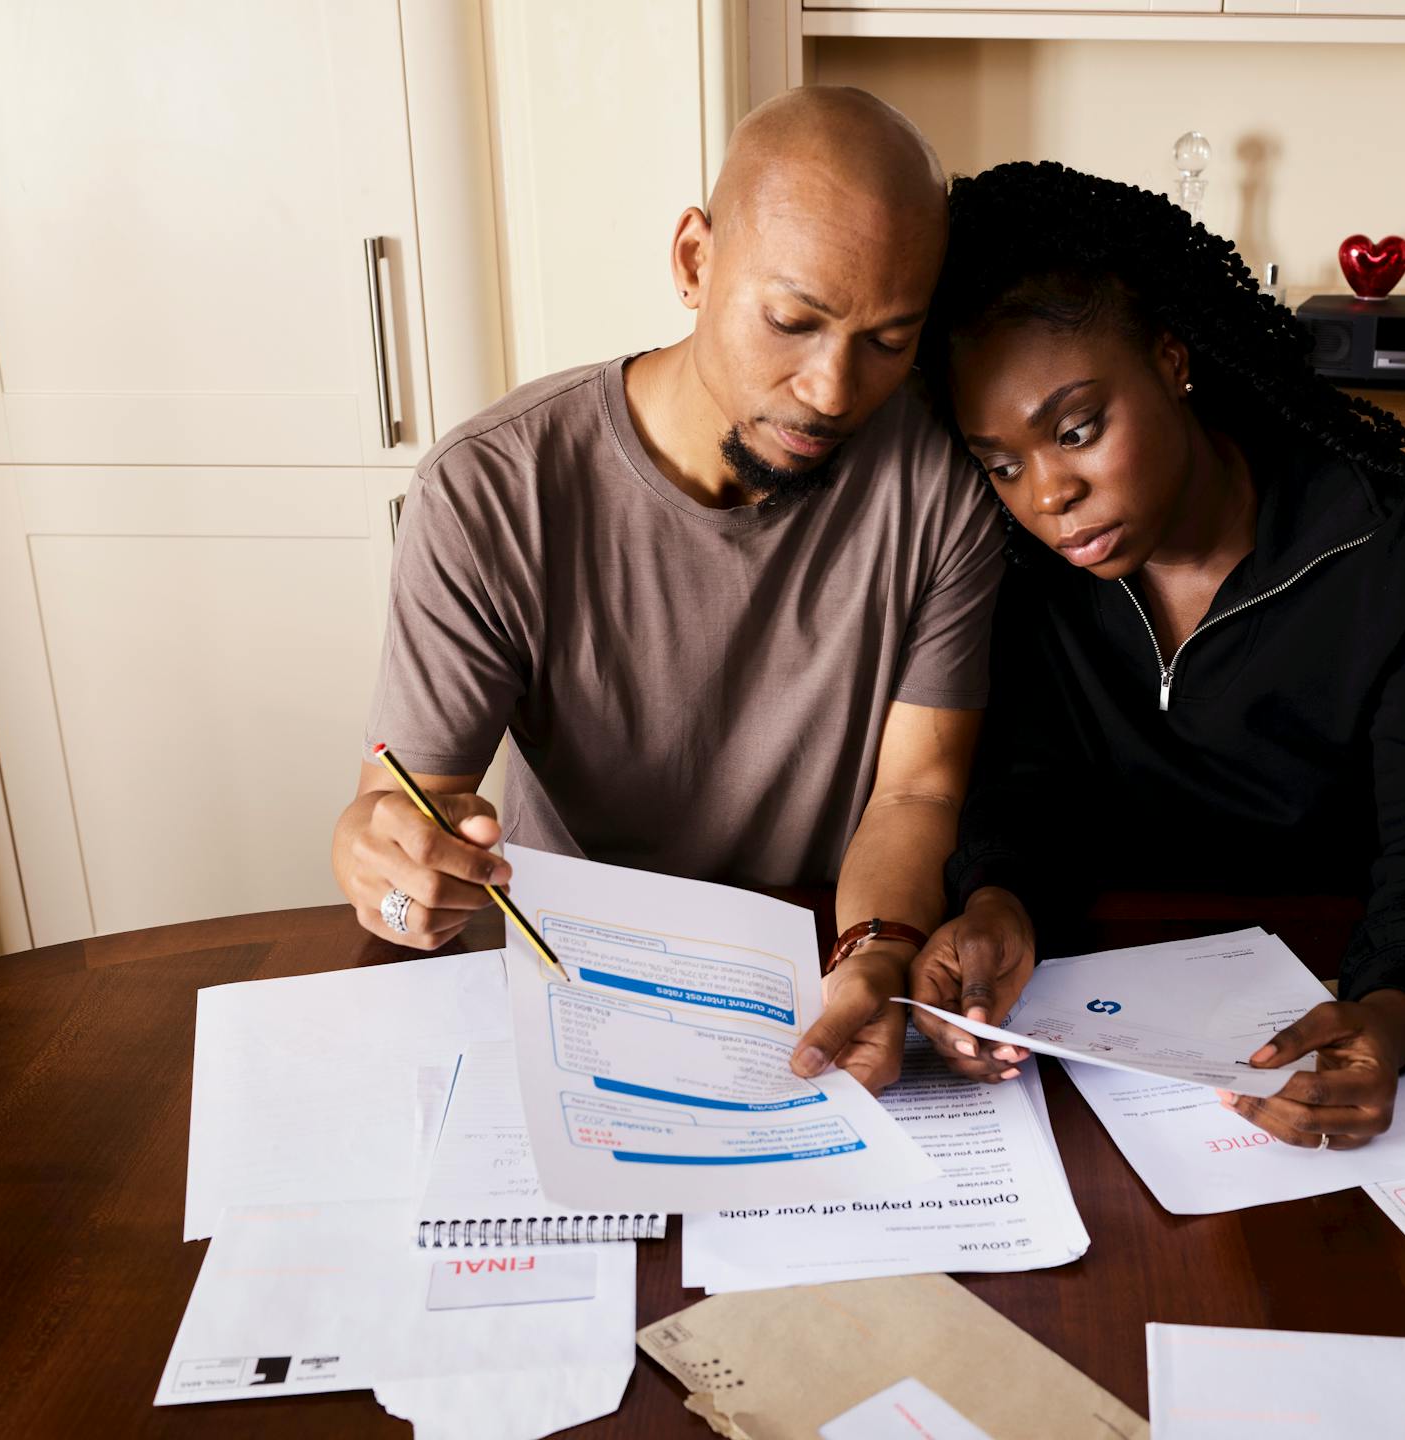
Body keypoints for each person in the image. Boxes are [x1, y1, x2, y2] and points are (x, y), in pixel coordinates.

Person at [331, 88, 1005, 1093]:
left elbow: (916, 788)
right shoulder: (492, 489)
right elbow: (406, 806)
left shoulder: (939, 489)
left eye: (887, 342)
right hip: (575, 985)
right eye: (792, 320)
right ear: (694, 261)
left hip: (815, 980)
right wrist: (391, 872)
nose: (831, 391)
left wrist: (875, 951)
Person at [905, 162, 1405, 1148]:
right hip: (1092, 1041)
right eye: (1001, 462)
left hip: (1337, 1003)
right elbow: (1031, 780)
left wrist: (1389, 1016)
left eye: (1078, 430)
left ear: (1173, 358)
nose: (1047, 495)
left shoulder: (1400, 556)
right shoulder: (1023, 573)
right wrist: (1000, 902)